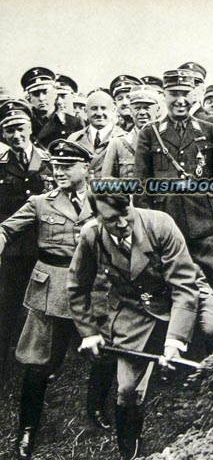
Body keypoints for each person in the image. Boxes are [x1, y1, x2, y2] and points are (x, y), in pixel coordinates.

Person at [0, 140, 111, 459]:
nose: (59, 172)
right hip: (50, 287)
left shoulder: (103, 199)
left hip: (93, 287)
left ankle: (96, 409)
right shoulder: (40, 202)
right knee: (37, 363)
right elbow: (7, 230)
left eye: (66, 166)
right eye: (55, 166)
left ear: (85, 168)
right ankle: (27, 430)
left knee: (104, 351)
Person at [68, 193, 200, 460]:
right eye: (111, 219)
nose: (122, 223)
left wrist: (175, 341)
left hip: (180, 292)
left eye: (125, 213)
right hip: (132, 310)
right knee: (127, 390)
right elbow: (76, 288)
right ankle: (130, 452)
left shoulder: (160, 223)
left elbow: (184, 286)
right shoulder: (91, 235)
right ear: (97, 218)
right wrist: (90, 332)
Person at [134, 69, 213, 331]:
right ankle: (184, 349)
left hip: (207, 222)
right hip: (168, 223)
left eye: (185, 94)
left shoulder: (210, 130)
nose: (180, 100)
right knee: (174, 286)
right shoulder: (150, 133)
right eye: (174, 94)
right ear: (164, 97)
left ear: (195, 95)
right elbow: (142, 183)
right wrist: (146, 226)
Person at [0, 99, 54, 377]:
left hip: (45, 247)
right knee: (6, 307)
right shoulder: (1, 164)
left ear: (31, 127)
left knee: (43, 310)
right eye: (9, 131)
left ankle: (42, 366)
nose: (16, 135)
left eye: (20, 127)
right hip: (10, 250)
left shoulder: (50, 162)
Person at [101, 86, 160, 178]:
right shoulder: (118, 143)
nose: (142, 112)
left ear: (157, 110)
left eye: (146, 108)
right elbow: (105, 181)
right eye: (137, 108)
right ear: (131, 111)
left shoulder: (168, 141)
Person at [67, 90, 127, 177]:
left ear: (113, 110)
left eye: (103, 108)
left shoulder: (125, 140)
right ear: (85, 111)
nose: (99, 113)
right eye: (94, 108)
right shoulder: (73, 139)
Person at [21, 68, 83, 149]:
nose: (41, 98)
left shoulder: (73, 124)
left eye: (45, 92)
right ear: (29, 98)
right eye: (35, 94)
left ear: (54, 93)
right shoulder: (23, 124)